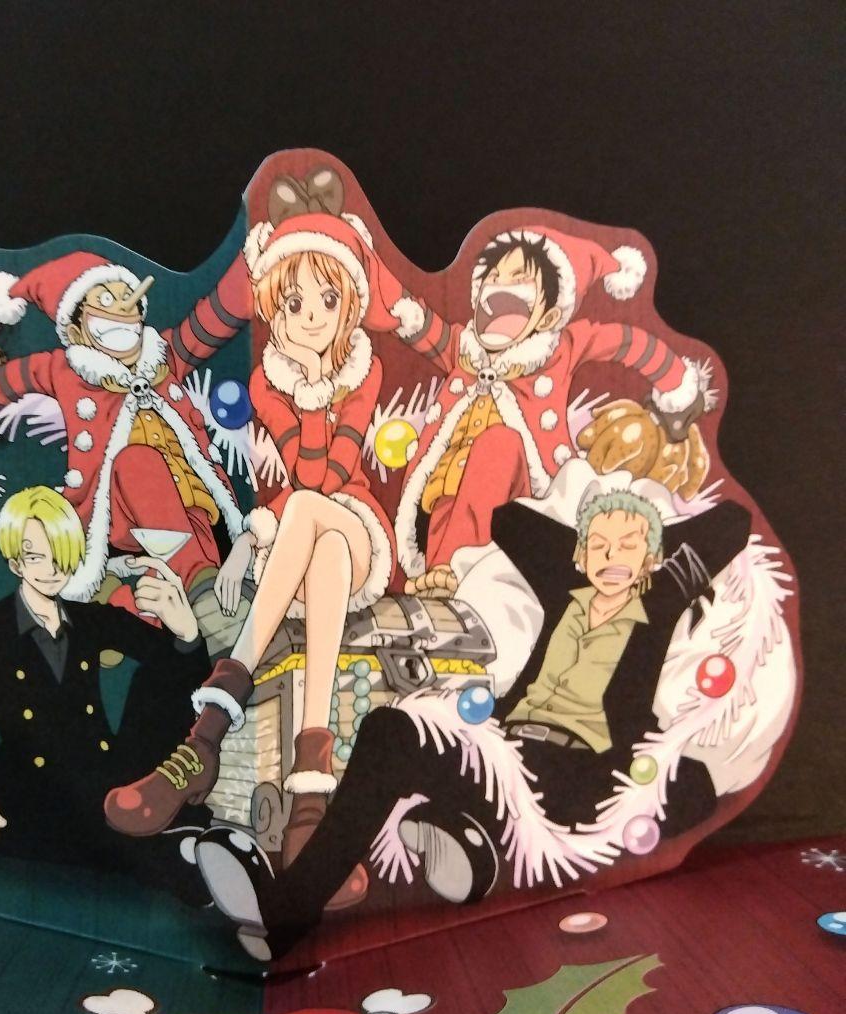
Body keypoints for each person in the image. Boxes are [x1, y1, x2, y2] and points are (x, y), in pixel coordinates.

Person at [193, 489, 752, 960]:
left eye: (629, 545)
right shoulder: (566, 585)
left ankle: (458, 837)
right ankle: (290, 913)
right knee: (390, 729)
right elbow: (510, 519)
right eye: (600, 545)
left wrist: (644, 542)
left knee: (692, 785)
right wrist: (587, 543)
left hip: (579, 775)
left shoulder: (662, 596)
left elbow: (733, 522)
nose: (613, 556)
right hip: (504, 755)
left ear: (654, 555)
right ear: (580, 555)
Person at [105, 181, 403, 908]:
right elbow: (296, 487)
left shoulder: (365, 371)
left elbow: (328, 475)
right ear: (273, 306)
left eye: (325, 300)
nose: (310, 318)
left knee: (314, 516)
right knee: (317, 546)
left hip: (360, 523)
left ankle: (204, 734)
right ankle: (311, 796)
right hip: (311, 544)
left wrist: (313, 395)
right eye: (293, 303)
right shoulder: (269, 384)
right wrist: (253, 537)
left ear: (349, 304)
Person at [0, 485, 210, 883]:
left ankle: (132, 834)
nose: (52, 568)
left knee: (161, 674)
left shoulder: (92, 621)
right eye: (36, 556)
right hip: (30, 784)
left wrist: (187, 634)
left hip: (104, 777)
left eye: (60, 554)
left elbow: (176, 672)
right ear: (14, 562)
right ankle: (126, 844)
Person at [387, 228, 714, 598]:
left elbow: (625, 342)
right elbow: (420, 325)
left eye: (518, 278)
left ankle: (455, 570)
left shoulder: (559, 350)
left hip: (520, 492)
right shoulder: (465, 350)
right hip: (448, 490)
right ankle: (440, 576)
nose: (500, 284)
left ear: (549, 316)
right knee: (446, 495)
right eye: (494, 276)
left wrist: (677, 382)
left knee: (498, 446)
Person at [0, 250, 252, 620]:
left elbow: (213, 319)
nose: (122, 310)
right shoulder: (65, 372)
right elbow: (4, 382)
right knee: (138, 463)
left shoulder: (164, 357)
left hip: (195, 511)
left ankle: (199, 605)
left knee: (193, 544)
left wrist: (257, 258)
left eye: (129, 300)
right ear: (74, 330)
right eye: (105, 301)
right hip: (119, 515)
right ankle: (201, 598)